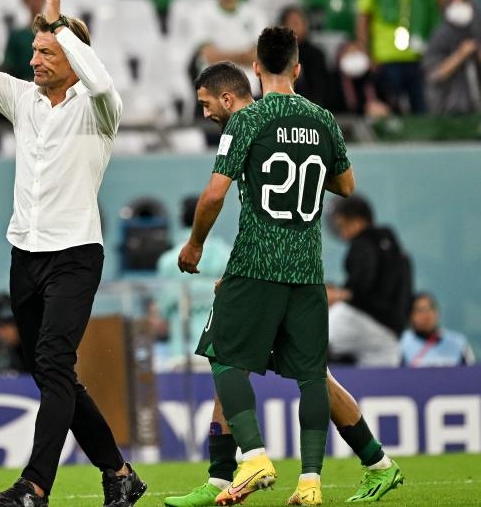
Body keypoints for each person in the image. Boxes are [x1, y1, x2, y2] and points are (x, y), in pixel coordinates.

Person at [0, 0, 146, 507]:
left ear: (71, 55)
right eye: (34, 50)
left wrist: (62, 26)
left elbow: (103, 85)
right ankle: (119, 474)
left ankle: (34, 487)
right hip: (25, 255)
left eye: (45, 51)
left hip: (75, 256)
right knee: (53, 375)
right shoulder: (23, 100)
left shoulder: (98, 110)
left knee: (55, 365)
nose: (33, 60)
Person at [166, 61, 402, 507]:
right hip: (302, 269)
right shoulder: (317, 119)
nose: (205, 113)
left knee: (225, 356)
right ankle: (364, 467)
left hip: (262, 268)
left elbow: (215, 195)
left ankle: (247, 463)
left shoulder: (248, 123)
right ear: (296, 67)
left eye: (207, 104)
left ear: (234, 92)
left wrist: (196, 246)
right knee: (307, 376)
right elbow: (345, 185)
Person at [357, 0, 440, 114]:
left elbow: (434, 19)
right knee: (390, 115)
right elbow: (363, 17)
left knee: (422, 114)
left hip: (419, 57)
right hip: (386, 58)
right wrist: (367, 53)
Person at [328, 195, 413, 368]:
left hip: (358, 320)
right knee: (377, 380)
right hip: (389, 337)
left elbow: (361, 282)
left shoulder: (363, 242)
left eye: (342, 225)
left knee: (305, 336)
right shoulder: (395, 247)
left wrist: (337, 294)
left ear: (357, 221)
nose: (341, 231)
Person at [155, 195, 231, 368]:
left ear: (181, 219)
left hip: (182, 353)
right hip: (221, 351)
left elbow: (162, 315)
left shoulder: (168, 262)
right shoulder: (228, 256)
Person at [190, 0, 268, 86]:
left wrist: (222, 56)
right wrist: (243, 56)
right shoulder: (201, 14)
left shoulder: (255, 14)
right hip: (213, 81)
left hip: (250, 82)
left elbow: (257, 56)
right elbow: (210, 56)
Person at [422, 0, 481, 115]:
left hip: (474, 108)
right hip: (448, 110)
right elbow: (434, 74)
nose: (459, 5)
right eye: (454, 1)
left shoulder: (475, 30)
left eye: (463, 1)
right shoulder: (440, 36)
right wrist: (461, 54)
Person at [400, 292, 475, 368]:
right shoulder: (402, 343)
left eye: (430, 309)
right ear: (411, 316)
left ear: (437, 313)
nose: (426, 315)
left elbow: (472, 372)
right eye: (420, 310)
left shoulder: (459, 342)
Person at [280, 6, 333, 108]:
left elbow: (320, 91)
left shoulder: (316, 55)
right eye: (294, 23)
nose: (299, 27)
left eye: (302, 22)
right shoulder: (276, 54)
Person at [3, 0, 44, 82]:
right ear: (25, 0)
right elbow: (8, 68)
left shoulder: (55, 34)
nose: (34, 1)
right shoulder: (16, 36)